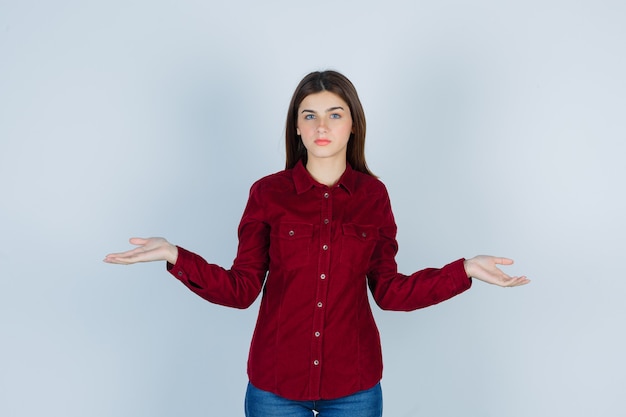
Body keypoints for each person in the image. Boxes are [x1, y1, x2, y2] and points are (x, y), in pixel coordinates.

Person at [104, 70, 529, 417]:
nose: (321, 126)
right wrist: (173, 255)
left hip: (354, 388)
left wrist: (465, 270)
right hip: (275, 387)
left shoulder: (372, 197)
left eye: (334, 114)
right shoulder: (267, 194)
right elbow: (241, 289)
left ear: (353, 123)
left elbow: (390, 291)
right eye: (309, 115)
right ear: (296, 126)